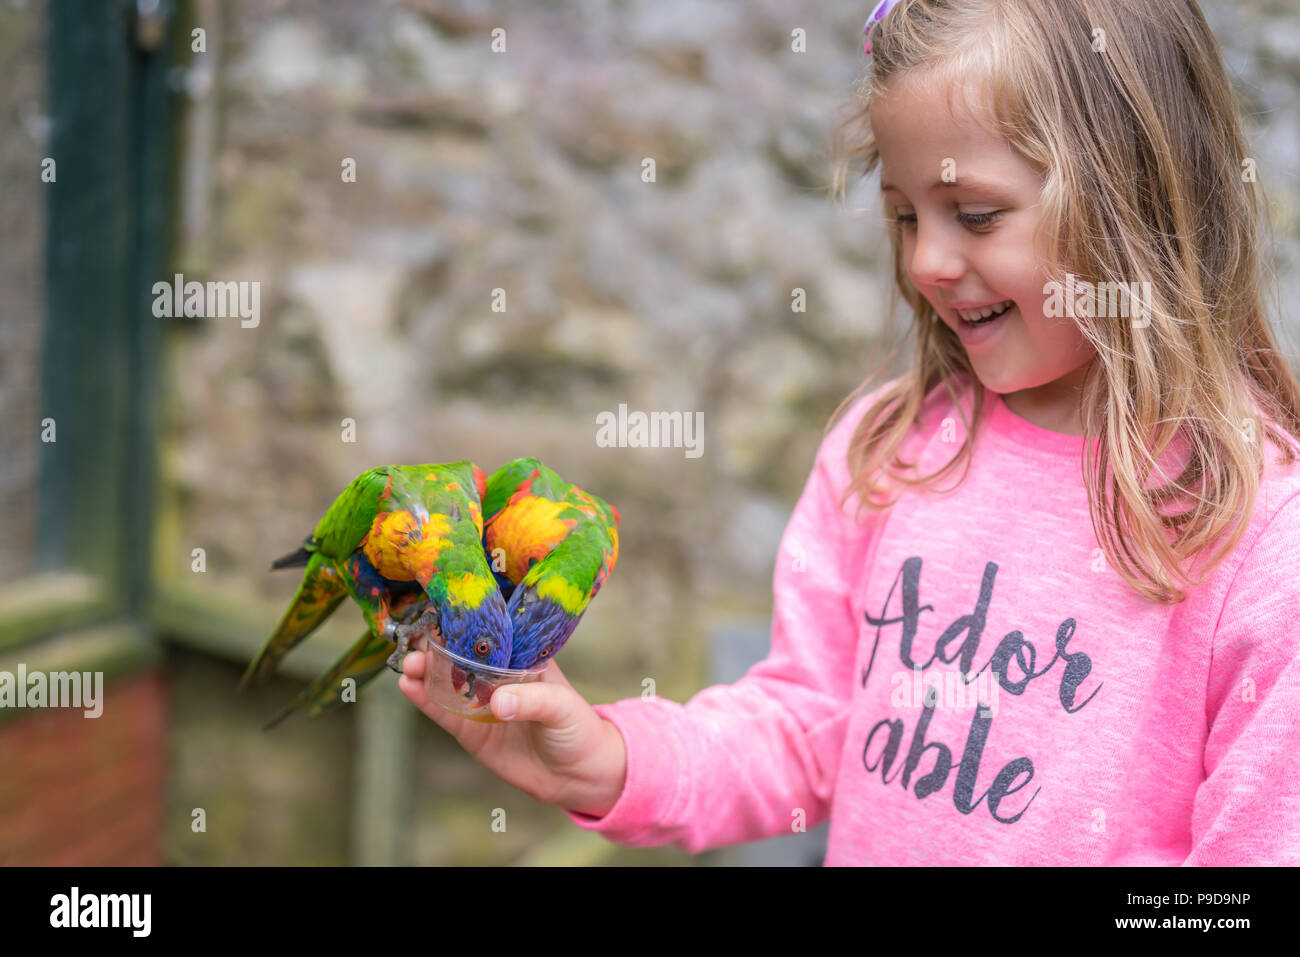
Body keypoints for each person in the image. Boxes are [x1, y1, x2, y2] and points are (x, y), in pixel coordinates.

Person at [399, 0, 1300, 864]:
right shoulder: (888, 450)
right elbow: (803, 726)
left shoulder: (1261, 531)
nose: (926, 262)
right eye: (905, 215)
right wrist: (609, 758)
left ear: (1134, 193)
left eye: (975, 215)